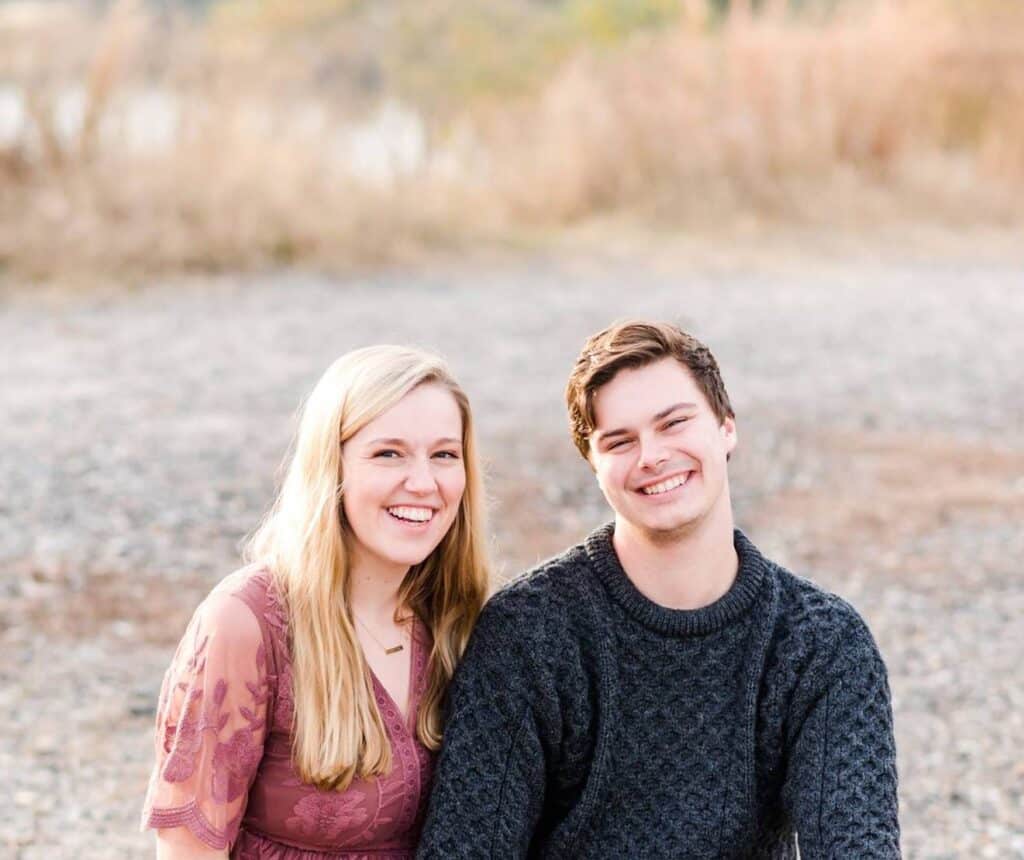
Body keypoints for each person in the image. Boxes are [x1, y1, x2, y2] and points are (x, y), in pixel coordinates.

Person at [418, 321, 900, 858]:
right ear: (593, 466)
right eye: (620, 441)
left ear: (726, 427)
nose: (651, 456)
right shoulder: (528, 631)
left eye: (674, 423)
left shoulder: (823, 644)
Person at [141, 345, 490, 859]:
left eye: (444, 454)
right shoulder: (246, 624)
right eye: (388, 453)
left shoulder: (461, 616)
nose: (423, 483)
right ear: (333, 467)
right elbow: (188, 850)